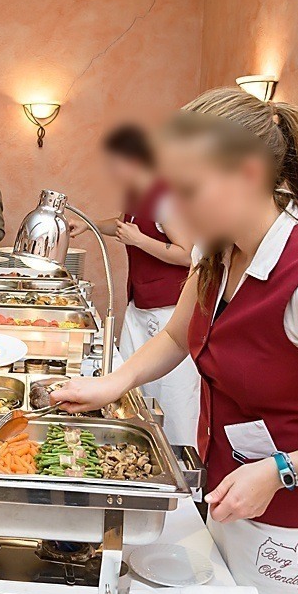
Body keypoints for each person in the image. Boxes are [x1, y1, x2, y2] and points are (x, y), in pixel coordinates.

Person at [51, 88, 298, 594]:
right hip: (231, 497)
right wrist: (112, 384)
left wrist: (281, 470)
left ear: (248, 174)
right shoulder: (217, 249)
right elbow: (176, 335)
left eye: (188, 188)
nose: (174, 206)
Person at [71, 125, 198, 448]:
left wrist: (140, 241)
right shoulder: (135, 194)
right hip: (138, 306)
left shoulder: (164, 196)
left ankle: (181, 460)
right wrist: (87, 225)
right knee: (132, 387)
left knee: (172, 392)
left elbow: (188, 254)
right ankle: (135, 446)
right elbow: (120, 225)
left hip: (168, 309)